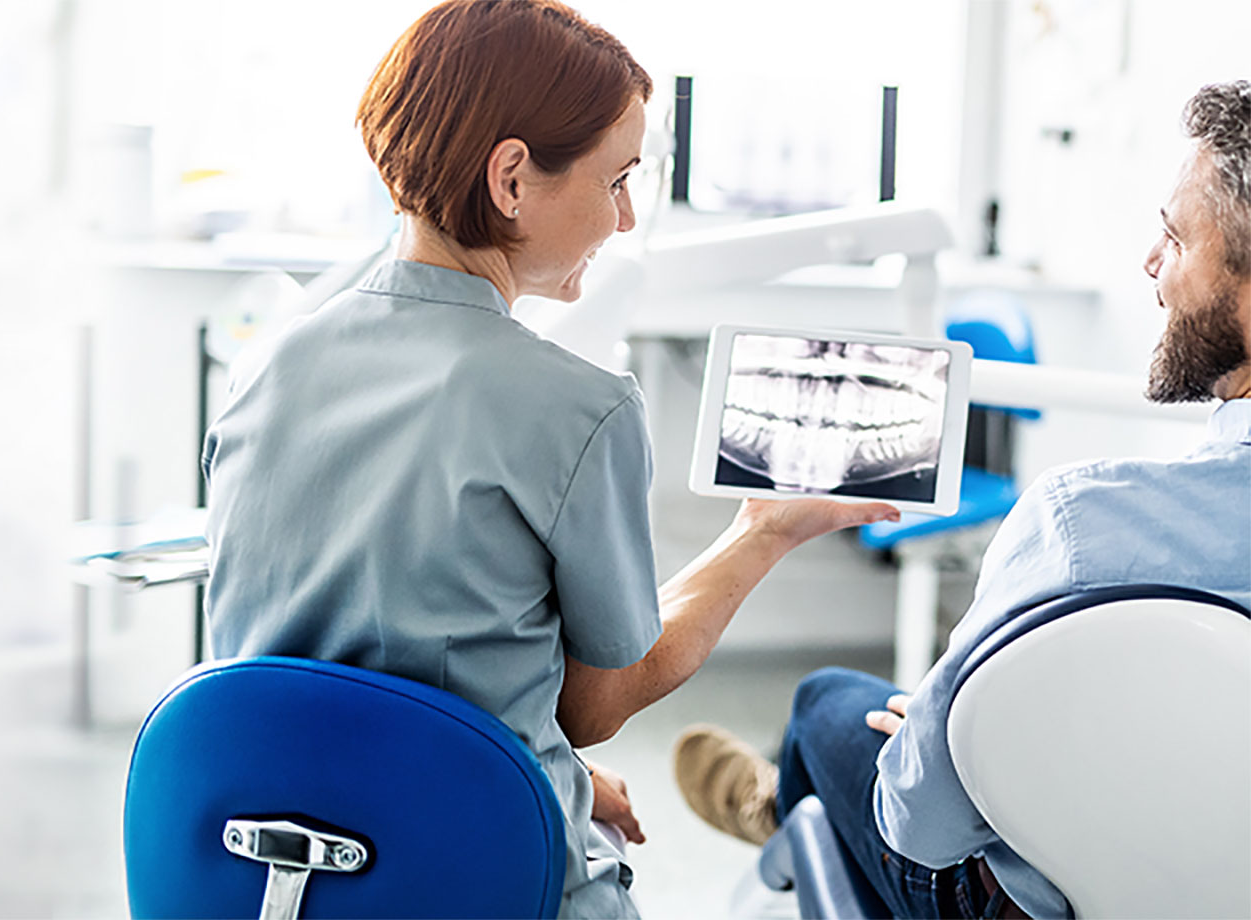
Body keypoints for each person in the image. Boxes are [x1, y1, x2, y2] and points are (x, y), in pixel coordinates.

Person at [199, 1, 898, 916]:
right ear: (513, 177)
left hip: (278, 872)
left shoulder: (266, 366)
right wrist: (759, 535)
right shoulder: (580, 406)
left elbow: (353, 668)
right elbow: (595, 706)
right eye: (616, 179)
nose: (627, 215)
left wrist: (551, 773)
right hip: (465, 872)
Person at [673, 80, 1251, 920]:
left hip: (1033, 902)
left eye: (1172, 234)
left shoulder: (1082, 527)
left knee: (827, 705)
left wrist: (943, 737)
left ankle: (778, 807)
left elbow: (922, 826)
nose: (1149, 263)